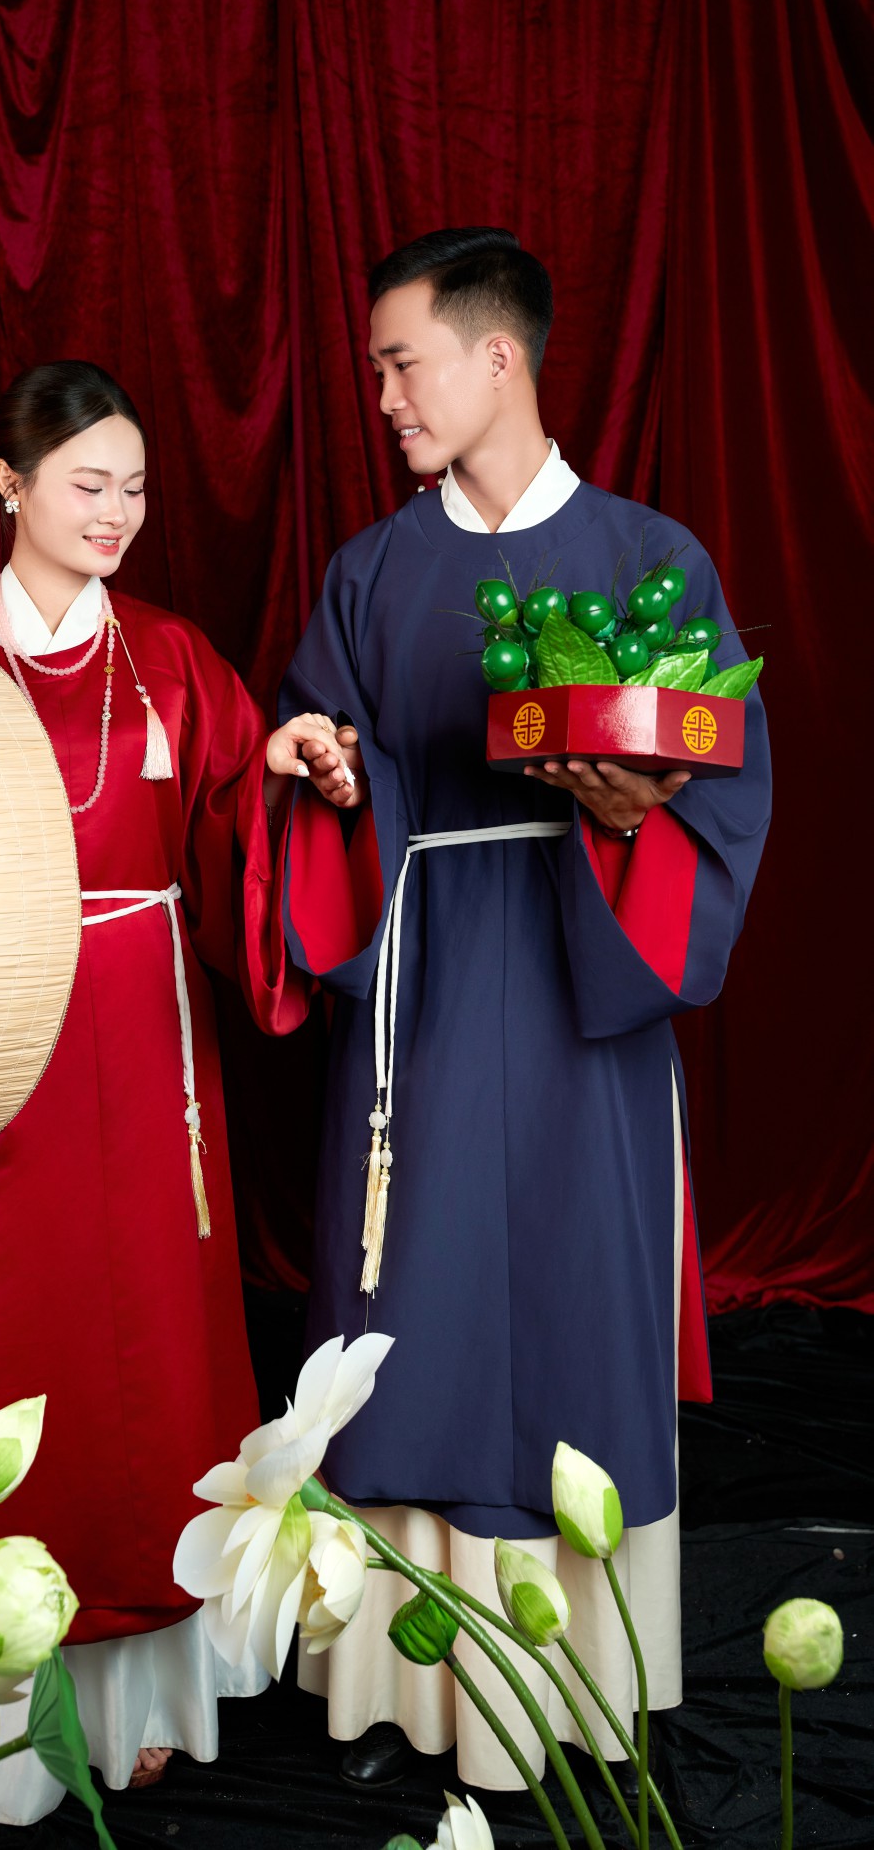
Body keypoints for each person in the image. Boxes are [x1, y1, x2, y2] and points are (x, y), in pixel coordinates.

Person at [262, 229, 771, 1795]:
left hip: (581, 991)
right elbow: (321, 772)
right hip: (419, 988)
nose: (386, 398)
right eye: (376, 371)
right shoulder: (369, 571)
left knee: (572, 1300)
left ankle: (576, 1680)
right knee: (409, 1308)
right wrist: (325, 774)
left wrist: (626, 816)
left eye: (402, 363)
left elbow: (719, 803)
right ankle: (399, 1684)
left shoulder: (650, 555)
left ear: (499, 357)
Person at [0, 362, 306, 1824]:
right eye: (86, 484)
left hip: (141, 1025)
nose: (116, 512)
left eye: (132, 487)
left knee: (149, 1351)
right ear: (7, 485)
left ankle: (146, 1690)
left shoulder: (174, 658)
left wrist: (284, 774)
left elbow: (237, 816)